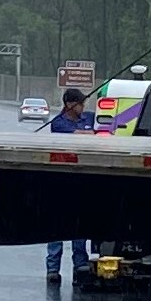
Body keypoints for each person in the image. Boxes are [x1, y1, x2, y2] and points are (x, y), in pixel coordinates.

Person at [46, 88, 93, 285]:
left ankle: (80, 267)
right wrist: (90, 133)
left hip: (82, 180)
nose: (84, 108)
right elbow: (80, 135)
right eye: (81, 104)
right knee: (56, 227)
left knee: (79, 226)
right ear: (69, 105)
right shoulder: (58, 123)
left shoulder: (89, 117)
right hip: (60, 181)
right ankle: (53, 269)